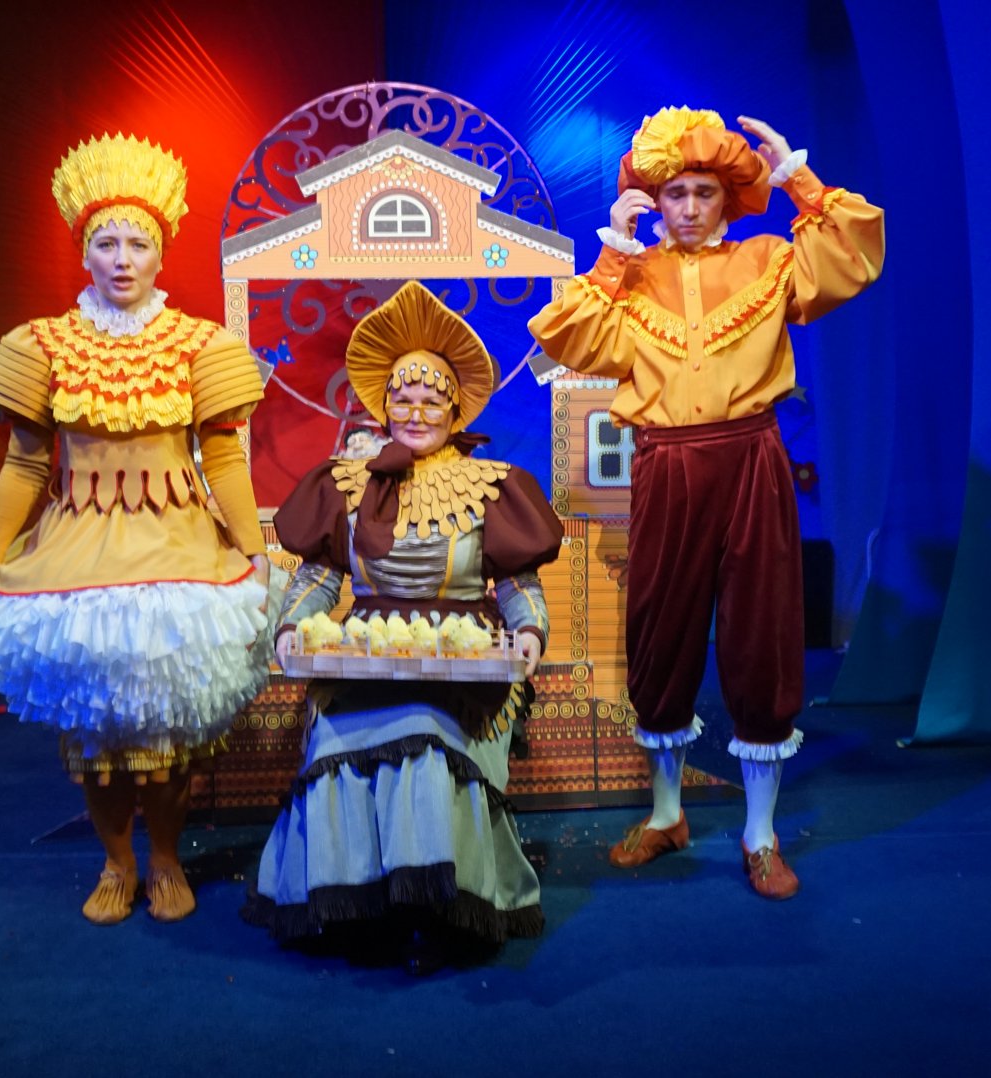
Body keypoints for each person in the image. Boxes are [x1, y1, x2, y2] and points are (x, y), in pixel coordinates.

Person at [528, 108, 884, 899]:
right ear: (653, 200)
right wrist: (614, 251)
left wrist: (796, 174)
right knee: (661, 631)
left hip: (751, 457)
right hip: (667, 465)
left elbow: (853, 256)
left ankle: (760, 834)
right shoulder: (632, 276)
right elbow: (568, 339)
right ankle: (667, 814)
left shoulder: (766, 259)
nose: (688, 207)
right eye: (674, 194)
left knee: (762, 633)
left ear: (728, 197)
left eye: (704, 192)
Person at [0, 133, 271, 924]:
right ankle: (115, 863)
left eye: (139, 243)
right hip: (79, 555)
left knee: (167, 731)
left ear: (161, 254)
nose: (123, 259)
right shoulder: (42, 346)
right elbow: (25, 463)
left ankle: (165, 860)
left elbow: (224, 457)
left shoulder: (200, 345)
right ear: (84, 253)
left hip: (176, 550)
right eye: (107, 243)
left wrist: (253, 548)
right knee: (97, 735)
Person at [242, 282, 562, 972]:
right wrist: (293, 626)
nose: (416, 413)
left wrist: (528, 635)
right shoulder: (348, 482)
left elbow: (518, 584)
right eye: (403, 400)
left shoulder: (491, 484)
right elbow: (319, 578)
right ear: (383, 406)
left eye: (431, 401)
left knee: (425, 732)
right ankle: (357, 904)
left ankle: (439, 903)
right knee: (334, 742)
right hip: (363, 654)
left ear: (455, 408)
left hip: (467, 666)